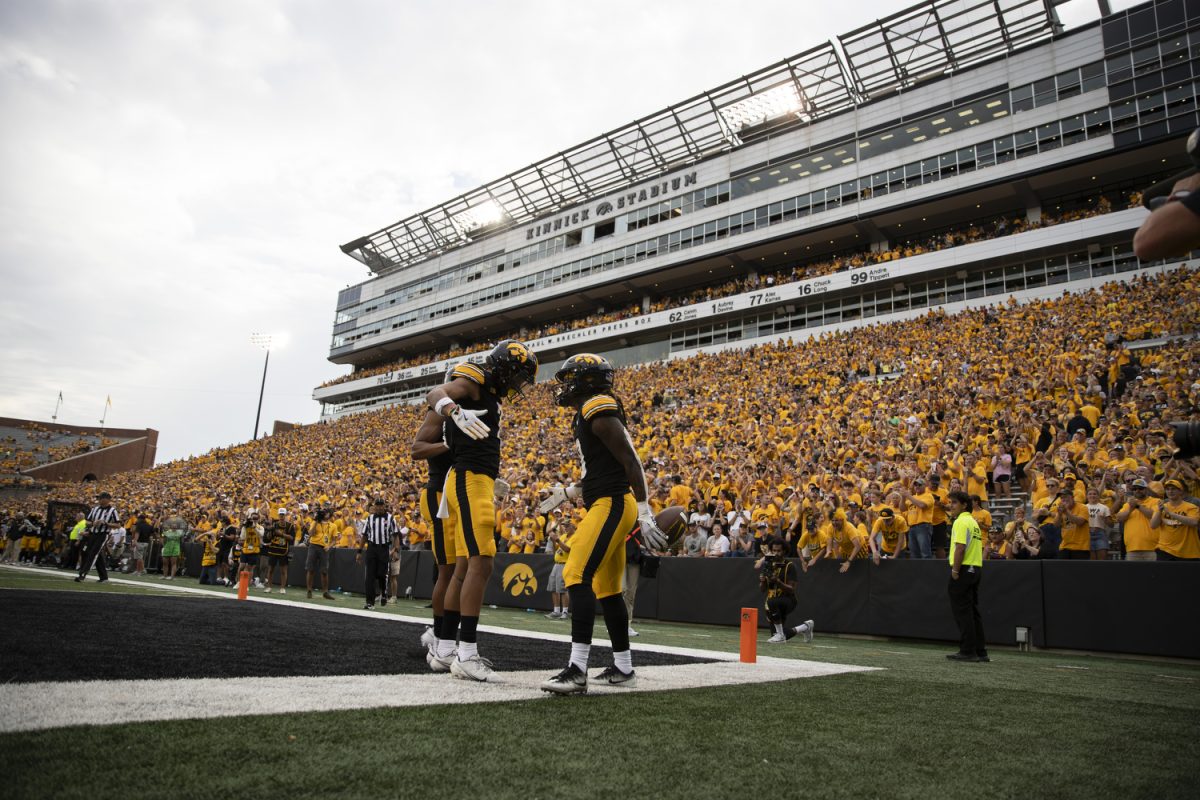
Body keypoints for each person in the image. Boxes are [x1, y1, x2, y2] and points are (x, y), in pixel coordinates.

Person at [540, 354, 668, 694]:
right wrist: (568, 493)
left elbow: (631, 460)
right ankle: (623, 667)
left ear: (586, 381)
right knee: (608, 589)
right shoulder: (591, 411)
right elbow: (603, 468)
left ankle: (577, 669)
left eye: (570, 379)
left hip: (613, 503)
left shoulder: (597, 407)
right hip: (607, 500)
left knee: (575, 574)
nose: (564, 387)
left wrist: (644, 510)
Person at [425, 339, 538, 681]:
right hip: (468, 478)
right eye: (518, 376)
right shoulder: (475, 377)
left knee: (464, 567)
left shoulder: (489, 390)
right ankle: (467, 653)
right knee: (482, 562)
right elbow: (435, 393)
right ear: (504, 367)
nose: (518, 385)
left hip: (478, 478)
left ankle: (445, 650)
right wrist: (453, 411)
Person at [412, 405, 456, 659]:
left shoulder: (479, 412)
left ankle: (442, 633)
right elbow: (417, 449)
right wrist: (450, 444)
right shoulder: (440, 413)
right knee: (447, 570)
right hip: (439, 496)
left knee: (459, 568)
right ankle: (440, 636)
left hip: (458, 496)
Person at [945, 490, 987, 662]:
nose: (951, 506)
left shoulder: (961, 522)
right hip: (975, 568)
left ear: (964, 505)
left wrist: (955, 570)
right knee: (973, 611)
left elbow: (960, 548)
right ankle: (980, 650)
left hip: (963, 569)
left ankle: (968, 650)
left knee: (963, 612)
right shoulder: (973, 522)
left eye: (954, 502)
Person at [755, 536, 814, 644]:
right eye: (774, 551)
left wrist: (778, 582)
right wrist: (763, 580)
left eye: (779, 551)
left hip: (788, 600)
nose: (776, 553)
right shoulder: (769, 565)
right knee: (775, 634)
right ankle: (805, 627)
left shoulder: (790, 566)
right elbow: (763, 590)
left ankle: (781, 635)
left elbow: (791, 589)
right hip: (772, 603)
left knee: (772, 602)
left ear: (784, 551)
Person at [358, 498, 398, 609]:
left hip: (384, 549)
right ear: (374, 507)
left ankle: (384, 593)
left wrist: (396, 550)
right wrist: (359, 551)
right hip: (371, 548)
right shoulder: (369, 518)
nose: (379, 507)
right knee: (369, 576)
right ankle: (369, 602)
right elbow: (364, 535)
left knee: (382, 574)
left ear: (384, 506)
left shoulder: (390, 518)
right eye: (377, 505)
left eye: (381, 505)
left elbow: (395, 535)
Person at [1150, 478, 1200, 560]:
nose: (1170, 491)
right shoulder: (1160, 507)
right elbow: (1153, 525)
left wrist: (1170, 513)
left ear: (1181, 491)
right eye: (1168, 489)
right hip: (1165, 549)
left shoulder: (1191, 507)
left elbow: (1194, 522)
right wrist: (1159, 511)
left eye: (1173, 489)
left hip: (1187, 551)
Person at [75, 492, 119, 583]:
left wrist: (105, 523)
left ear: (107, 499)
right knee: (89, 553)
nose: (99, 500)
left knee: (93, 553)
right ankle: (104, 577)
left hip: (103, 534)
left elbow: (118, 525)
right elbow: (87, 521)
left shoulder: (112, 510)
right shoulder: (95, 509)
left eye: (101, 498)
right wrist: (93, 523)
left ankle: (82, 574)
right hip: (93, 534)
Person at [1115, 478, 1160, 561]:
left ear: (1146, 489)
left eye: (1140, 488)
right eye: (1135, 489)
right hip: (1132, 548)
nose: (1137, 490)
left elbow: (1153, 515)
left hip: (1152, 547)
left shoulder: (1155, 501)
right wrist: (1130, 509)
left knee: (1153, 574)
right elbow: (1119, 518)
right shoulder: (1128, 504)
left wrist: (1138, 506)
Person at [306, 508, 337, 600]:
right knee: (310, 569)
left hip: (324, 548)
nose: (325, 514)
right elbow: (311, 533)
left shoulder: (333, 525)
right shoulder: (315, 522)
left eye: (327, 513)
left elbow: (335, 540)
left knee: (324, 571)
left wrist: (329, 546)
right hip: (313, 545)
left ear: (330, 515)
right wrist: (316, 521)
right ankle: (309, 590)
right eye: (324, 513)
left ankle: (325, 592)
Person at [264, 508, 294, 593]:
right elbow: (268, 538)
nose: (281, 516)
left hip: (283, 550)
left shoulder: (290, 526)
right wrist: (270, 530)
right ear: (278, 515)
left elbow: (292, 538)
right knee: (270, 569)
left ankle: (282, 588)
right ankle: (269, 587)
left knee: (283, 570)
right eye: (280, 514)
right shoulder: (274, 524)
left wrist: (281, 534)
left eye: (283, 515)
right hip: (273, 549)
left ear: (285, 515)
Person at [544, 526, 571, 620]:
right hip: (556, 564)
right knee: (553, 587)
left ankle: (565, 612)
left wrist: (558, 540)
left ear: (573, 528)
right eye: (565, 526)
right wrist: (557, 525)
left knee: (562, 589)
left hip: (565, 564)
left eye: (568, 526)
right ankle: (556, 611)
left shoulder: (575, 537)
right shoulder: (563, 536)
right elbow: (550, 533)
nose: (566, 528)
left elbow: (568, 549)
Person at [238, 509, 264, 587]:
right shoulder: (247, 526)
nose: (254, 520)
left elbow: (261, 535)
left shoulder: (260, 527)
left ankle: (246, 584)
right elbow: (242, 537)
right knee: (241, 566)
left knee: (250, 568)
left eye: (256, 518)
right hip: (246, 548)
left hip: (254, 549)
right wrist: (244, 527)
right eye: (253, 518)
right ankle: (238, 582)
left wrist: (254, 527)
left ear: (258, 519)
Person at [160, 510, 187, 579]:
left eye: (175, 524)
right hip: (167, 547)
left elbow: (184, 530)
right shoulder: (167, 532)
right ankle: (164, 576)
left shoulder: (179, 532)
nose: (174, 525)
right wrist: (163, 545)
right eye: (173, 523)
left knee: (173, 563)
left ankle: (172, 577)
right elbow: (162, 537)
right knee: (165, 562)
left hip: (175, 547)